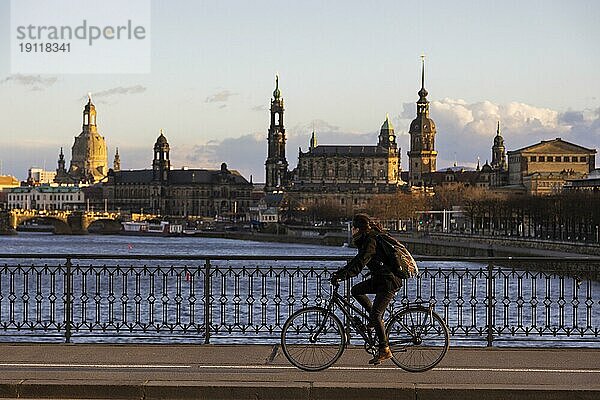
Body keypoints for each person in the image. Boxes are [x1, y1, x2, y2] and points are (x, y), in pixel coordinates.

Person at [330, 213, 403, 365]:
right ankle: (372, 321)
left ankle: (384, 349)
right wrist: (342, 273)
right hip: (381, 278)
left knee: (377, 315)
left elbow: (360, 262)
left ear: (357, 229)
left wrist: (342, 276)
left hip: (388, 281)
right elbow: (360, 260)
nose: (351, 231)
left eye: (353, 228)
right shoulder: (367, 238)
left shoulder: (371, 240)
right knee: (356, 290)